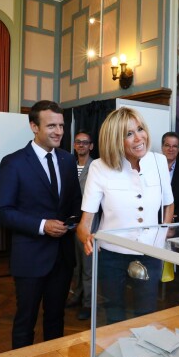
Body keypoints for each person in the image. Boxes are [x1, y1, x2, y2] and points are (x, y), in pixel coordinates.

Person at [0, 100, 82, 349]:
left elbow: (74, 202)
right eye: (51, 125)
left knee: (56, 318)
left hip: (62, 259)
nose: (59, 131)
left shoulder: (66, 160)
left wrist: (76, 222)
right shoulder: (14, 163)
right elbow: (0, 212)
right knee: (26, 321)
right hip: (30, 258)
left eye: (62, 125)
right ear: (34, 126)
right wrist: (42, 225)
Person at [77, 107, 174, 324]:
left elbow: (169, 204)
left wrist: (162, 235)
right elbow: (85, 223)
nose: (139, 138)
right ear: (115, 140)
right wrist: (86, 237)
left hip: (150, 252)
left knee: (146, 313)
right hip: (111, 255)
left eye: (140, 129)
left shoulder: (158, 161)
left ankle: (144, 356)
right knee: (114, 314)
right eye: (129, 134)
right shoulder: (99, 167)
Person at [67, 130, 96, 320]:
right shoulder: (68, 165)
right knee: (75, 265)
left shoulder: (97, 167)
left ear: (91, 146)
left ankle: (88, 304)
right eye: (78, 142)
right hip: (70, 224)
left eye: (85, 142)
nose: (81, 145)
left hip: (88, 226)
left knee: (88, 267)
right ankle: (76, 296)